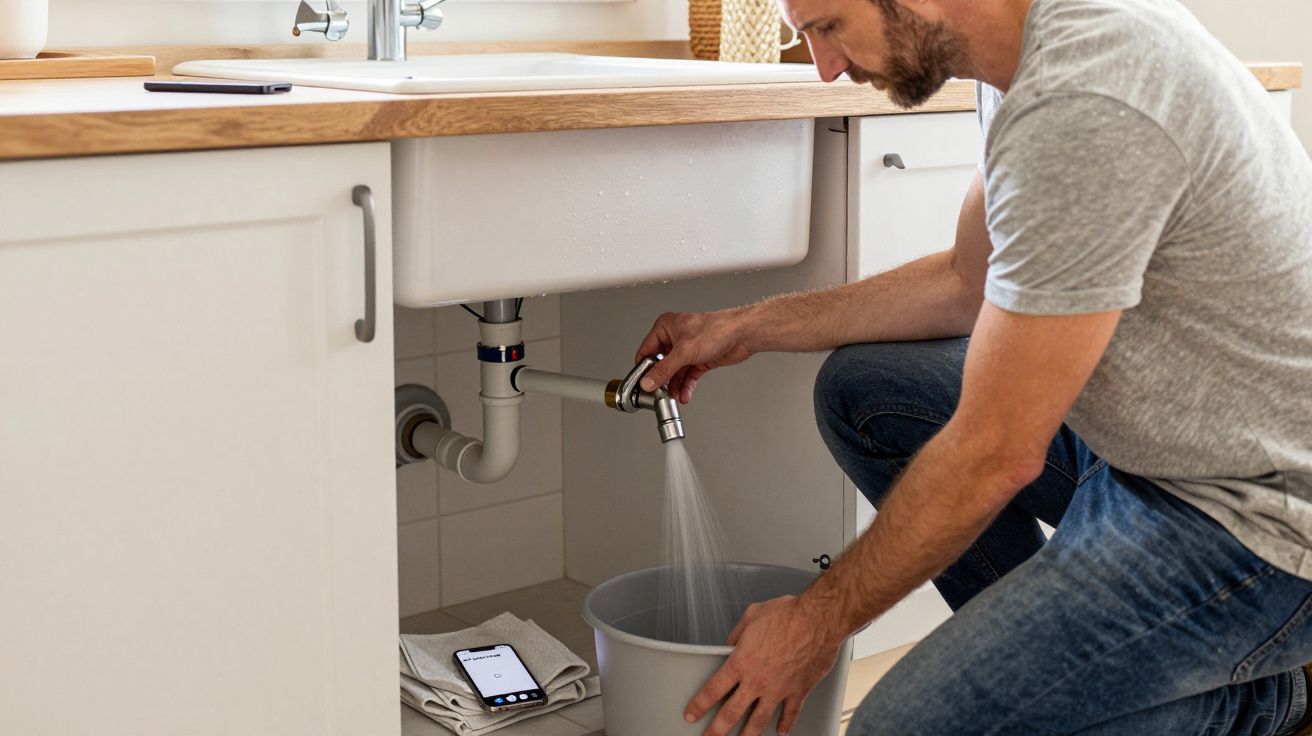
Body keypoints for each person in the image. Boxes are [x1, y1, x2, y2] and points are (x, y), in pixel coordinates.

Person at [631, 0, 1312, 734]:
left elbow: (994, 452)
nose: (825, 67)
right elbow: (968, 280)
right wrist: (745, 326)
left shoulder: (1088, 94)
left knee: (900, 728)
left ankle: (1259, 701)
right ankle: (1085, 675)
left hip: (1258, 514)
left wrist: (813, 623)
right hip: (1151, 444)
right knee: (867, 394)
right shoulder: (1014, 57)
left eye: (827, 26)